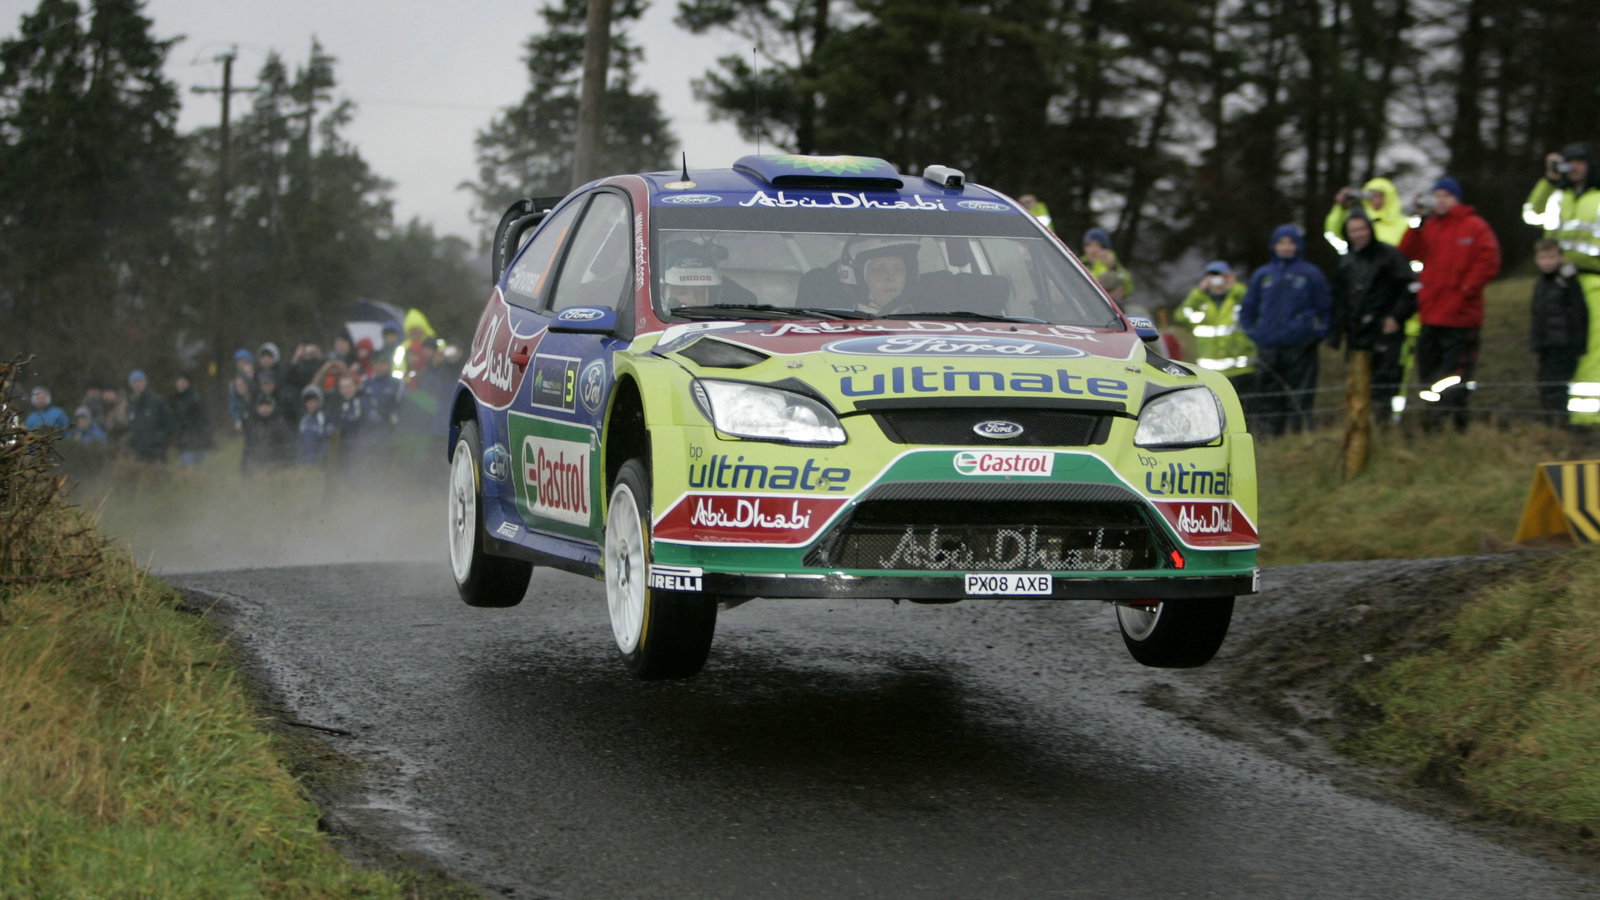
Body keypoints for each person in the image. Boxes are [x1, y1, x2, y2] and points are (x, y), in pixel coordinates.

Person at [1399, 177, 1501, 432]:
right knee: (1428, 372)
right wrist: (1417, 221)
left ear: (1456, 199)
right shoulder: (1430, 227)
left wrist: (1466, 290)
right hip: (1431, 315)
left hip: (1461, 318)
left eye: (1446, 196)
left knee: (1455, 374)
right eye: (1437, 196)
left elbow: (1489, 261)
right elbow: (1406, 251)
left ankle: (1455, 421)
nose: (1441, 201)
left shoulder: (1474, 226)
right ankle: (1434, 421)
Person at [1524, 143, 1600, 424]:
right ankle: (1557, 412)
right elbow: (1531, 214)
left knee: (1591, 348)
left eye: (1580, 161)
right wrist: (1549, 180)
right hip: (1556, 282)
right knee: (1557, 347)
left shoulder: (1598, 198)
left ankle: (1586, 417)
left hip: (1593, 280)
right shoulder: (1557, 196)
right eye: (1569, 162)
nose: (1574, 167)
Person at [1239, 224, 1332, 436]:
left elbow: (1325, 307)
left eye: (1290, 243)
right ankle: (1271, 437)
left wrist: (1316, 334)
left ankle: (1299, 436)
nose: (1286, 247)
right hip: (1269, 345)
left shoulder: (1310, 274)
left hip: (1300, 345)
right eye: (1281, 243)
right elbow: (1248, 308)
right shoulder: (1263, 275)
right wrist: (1255, 333)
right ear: (1274, 246)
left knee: (1300, 394)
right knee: (1269, 394)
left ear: (1298, 246)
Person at [1328, 213, 1415, 422]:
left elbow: (1409, 289)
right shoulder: (1347, 261)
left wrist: (1396, 317)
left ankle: (1384, 423)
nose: (1359, 234)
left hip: (1384, 331)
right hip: (1356, 334)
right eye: (1353, 230)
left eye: (1362, 229)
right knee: (1358, 383)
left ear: (1370, 230)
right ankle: (1359, 426)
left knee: (1385, 382)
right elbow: (1339, 299)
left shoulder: (1390, 256)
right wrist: (1336, 333)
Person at [1529, 238, 1590, 425]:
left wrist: (1578, 345)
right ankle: (1550, 421)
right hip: (1546, 345)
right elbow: (1537, 315)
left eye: (1551, 257)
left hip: (1564, 345)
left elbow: (1580, 314)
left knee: (1558, 385)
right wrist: (1536, 342)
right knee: (1544, 383)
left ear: (1560, 257)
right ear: (1536, 259)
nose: (1547, 262)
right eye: (1543, 257)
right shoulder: (1541, 283)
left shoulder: (1568, 281)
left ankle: (1560, 423)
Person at [1178, 261, 1256, 400]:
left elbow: (1253, 304)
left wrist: (1234, 285)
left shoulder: (1237, 297)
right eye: (1212, 277)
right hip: (1211, 373)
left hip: (1241, 370)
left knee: (1246, 407)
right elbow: (1180, 316)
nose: (1217, 281)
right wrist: (1198, 292)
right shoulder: (1200, 301)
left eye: (1221, 276)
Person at [1323, 178, 1409, 252]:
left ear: (1388, 196)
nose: (1373, 199)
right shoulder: (1361, 221)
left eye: (1377, 195)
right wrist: (1341, 208)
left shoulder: (1404, 224)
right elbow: (1334, 230)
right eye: (1369, 195)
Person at [125, 369, 172, 463]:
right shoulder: (131, 404)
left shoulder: (157, 400)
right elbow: (131, 426)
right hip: (139, 453)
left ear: (145, 383)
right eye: (135, 382)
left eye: (140, 381)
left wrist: (160, 440)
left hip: (156, 452)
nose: (138, 384)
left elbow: (169, 422)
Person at [169, 371, 215, 467]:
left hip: (193, 441)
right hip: (186, 440)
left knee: (189, 468)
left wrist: (199, 437)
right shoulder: (180, 398)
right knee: (191, 468)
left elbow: (202, 420)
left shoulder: (194, 399)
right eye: (179, 381)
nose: (180, 384)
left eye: (183, 381)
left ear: (188, 383)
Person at [241, 393, 293, 473]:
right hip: (256, 468)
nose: (264, 409)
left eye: (267, 406)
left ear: (272, 407)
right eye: (262, 406)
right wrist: (244, 467)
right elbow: (248, 448)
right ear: (257, 408)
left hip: (276, 468)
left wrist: (284, 466)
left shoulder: (280, 425)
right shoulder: (254, 426)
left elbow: (288, 447)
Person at [1080, 228, 1135, 301]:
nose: (1092, 250)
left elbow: (1128, 287)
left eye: (1097, 245)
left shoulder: (1112, 264)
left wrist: (1113, 268)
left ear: (1105, 248)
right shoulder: (1080, 263)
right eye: (1089, 245)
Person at [297, 386, 335, 466]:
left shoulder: (325, 417)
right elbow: (300, 442)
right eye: (308, 402)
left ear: (319, 401)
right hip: (305, 462)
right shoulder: (304, 419)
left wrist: (322, 459)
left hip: (320, 462)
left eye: (313, 401)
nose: (311, 404)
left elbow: (328, 441)